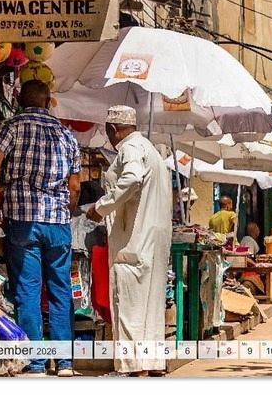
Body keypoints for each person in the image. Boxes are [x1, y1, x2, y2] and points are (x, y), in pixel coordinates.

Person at [0, 80, 81, 377]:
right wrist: (65, 211)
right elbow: (75, 186)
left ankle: (35, 362)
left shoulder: (12, 126)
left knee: (27, 290)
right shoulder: (66, 134)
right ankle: (64, 362)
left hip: (23, 219)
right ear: (49, 102)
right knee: (61, 290)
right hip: (58, 223)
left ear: (19, 101)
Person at [86, 105, 172, 376]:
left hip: (133, 240)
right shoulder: (152, 151)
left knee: (128, 303)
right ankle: (151, 362)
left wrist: (101, 207)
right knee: (150, 305)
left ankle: (133, 368)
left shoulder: (130, 148)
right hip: (151, 239)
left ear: (112, 129)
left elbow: (132, 178)